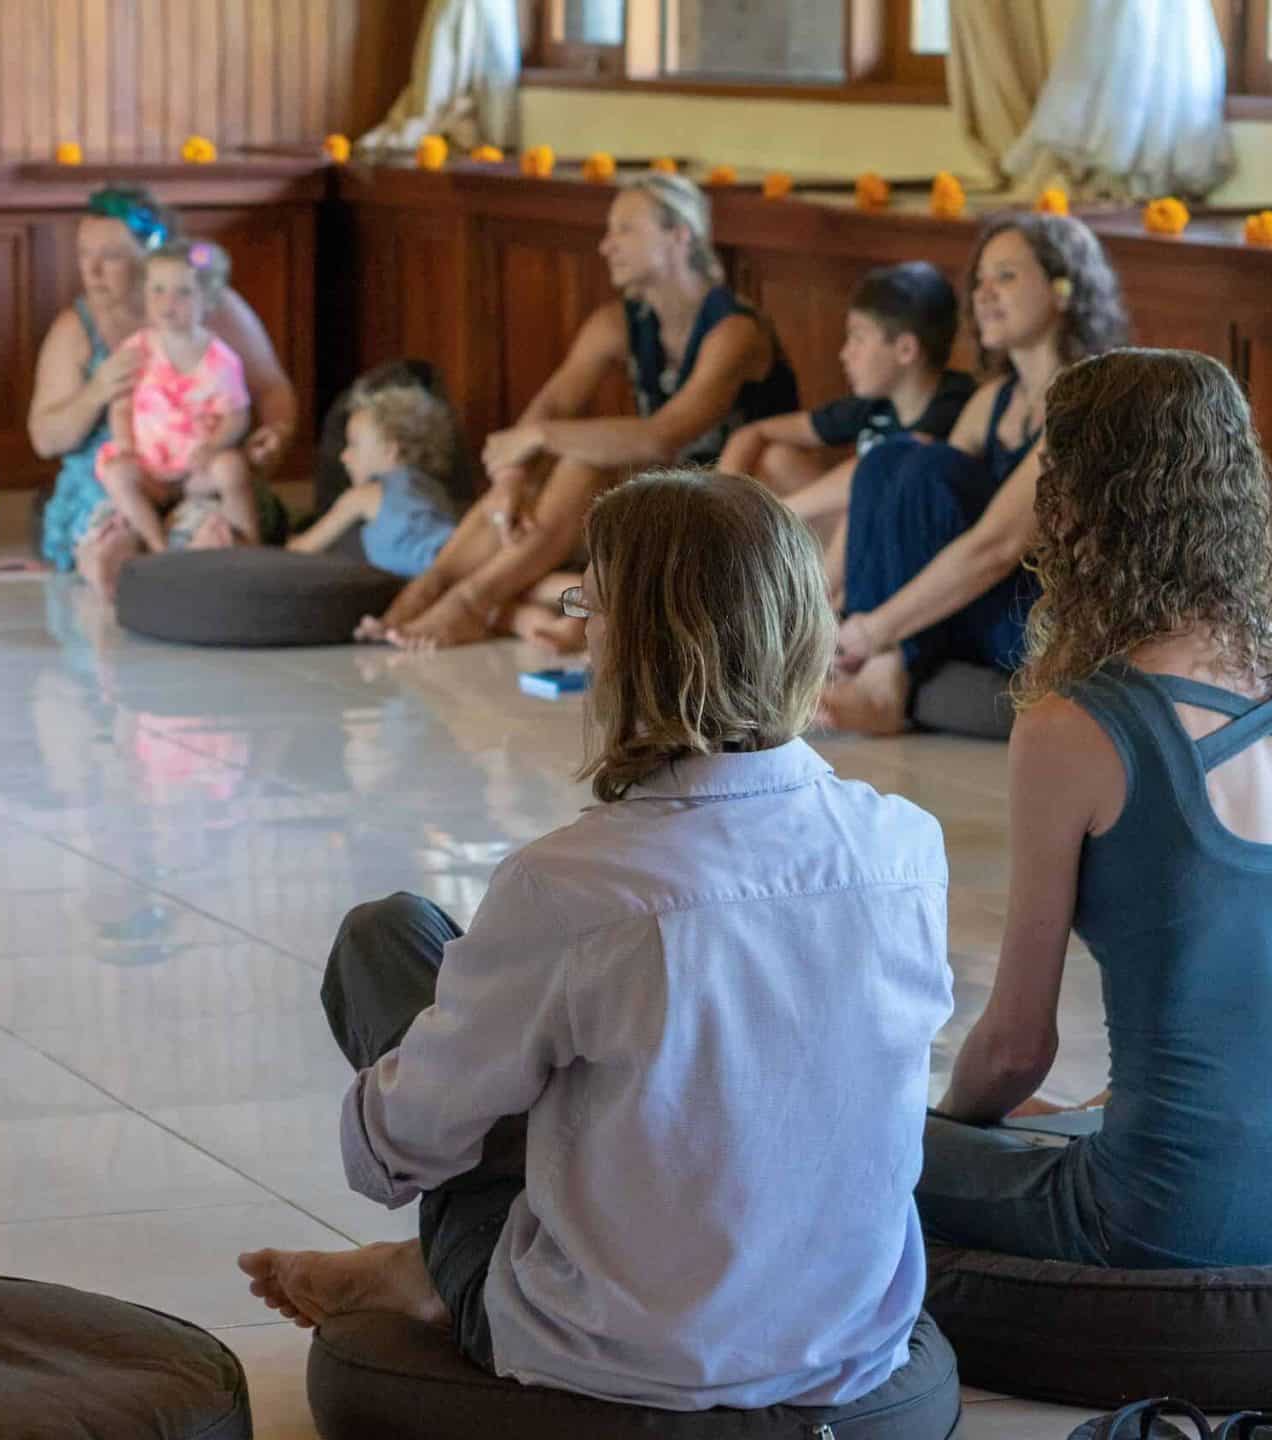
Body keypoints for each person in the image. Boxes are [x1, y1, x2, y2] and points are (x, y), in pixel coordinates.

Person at [238, 470, 951, 1411]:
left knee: (387, 949)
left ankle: (423, 1276)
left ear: (641, 645)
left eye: (591, 608)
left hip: (615, 1351)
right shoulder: (908, 845)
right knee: (588, 1035)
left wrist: (468, 1076)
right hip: (847, 1341)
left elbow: (404, 1148)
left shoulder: (569, 885)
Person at [921, 350, 1272, 1269]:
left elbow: (1015, 1049)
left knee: (867, 1131)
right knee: (1049, 1124)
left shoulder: (1072, 728)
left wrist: (945, 1128)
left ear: (1078, 505)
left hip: (1168, 1219)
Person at [364, 174, 800, 651]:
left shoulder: (735, 331)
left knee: (579, 458)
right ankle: (436, 587)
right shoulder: (617, 323)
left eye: (625, 230)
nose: (605, 246)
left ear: (680, 235)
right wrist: (511, 479)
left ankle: (476, 600)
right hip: (675, 483)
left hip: (739, 491)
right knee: (545, 469)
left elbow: (663, 437)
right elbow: (547, 408)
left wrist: (542, 438)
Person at [820, 213, 1129, 734]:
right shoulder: (992, 400)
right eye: (980, 280)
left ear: (1063, 289)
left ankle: (884, 676)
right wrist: (818, 613)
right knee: (890, 457)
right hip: (973, 613)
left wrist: (872, 631)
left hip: (1037, 621)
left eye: (1006, 276)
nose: (984, 294)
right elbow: (900, 493)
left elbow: (997, 548)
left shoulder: (1086, 406)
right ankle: (873, 667)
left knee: (925, 465)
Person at [28, 185, 302, 570]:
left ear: (151, 257)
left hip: (198, 466)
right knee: (115, 528)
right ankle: (130, 555)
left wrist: (276, 432)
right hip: (122, 477)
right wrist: (97, 392)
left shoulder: (213, 309)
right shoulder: (77, 328)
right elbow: (45, 438)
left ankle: (206, 554)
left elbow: (271, 387)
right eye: (83, 254)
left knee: (219, 520)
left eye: (110, 257)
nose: (91, 270)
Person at [74, 242, 254, 598]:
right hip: (147, 471)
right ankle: (156, 543)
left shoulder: (220, 360)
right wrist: (125, 445)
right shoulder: (138, 349)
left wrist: (215, 445)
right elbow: (121, 405)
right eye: (157, 290)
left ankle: (248, 545)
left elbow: (236, 414)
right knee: (116, 473)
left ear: (209, 300)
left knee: (231, 468)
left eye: (183, 292)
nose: (167, 301)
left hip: (194, 474)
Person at [719, 261, 975, 504]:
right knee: (776, 459)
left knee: (867, 477)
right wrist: (717, 508)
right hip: (858, 528)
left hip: (915, 540)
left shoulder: (955, 402)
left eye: (858, 339)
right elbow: (754, 433)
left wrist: (786, 511)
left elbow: (882, 471)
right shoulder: (874, 403)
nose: (845, 353)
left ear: (905, 349)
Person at [288, 381, 462, 579]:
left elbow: (301, 551)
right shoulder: (436, 490)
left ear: (390, 450)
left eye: (353, 444)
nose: (344, 456)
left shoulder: (364, 496)